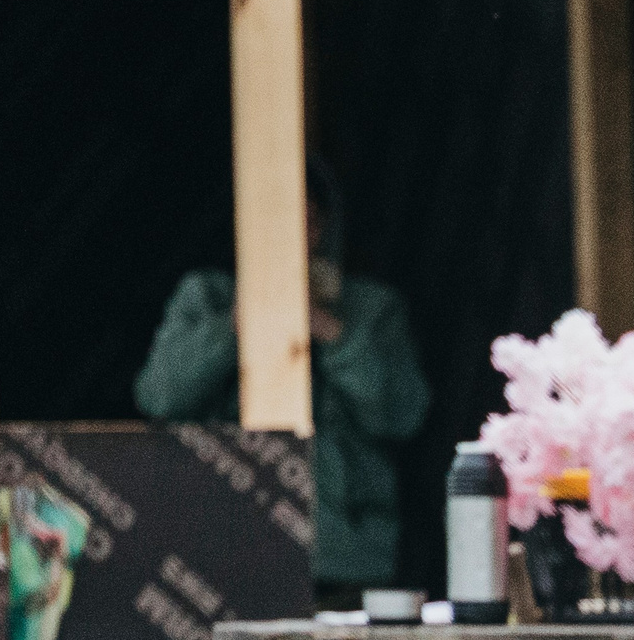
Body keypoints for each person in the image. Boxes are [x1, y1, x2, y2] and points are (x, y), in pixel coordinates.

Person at [134, 165, 428, 598]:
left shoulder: (373, 308)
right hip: (222, 545)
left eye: (304, 223)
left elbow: (404, 416)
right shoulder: (206, 296)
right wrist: (236, 325)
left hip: (342, 554)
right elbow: (158, 396)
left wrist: (330, 332)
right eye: (274, 222)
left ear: (324, 229)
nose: (289, 239)